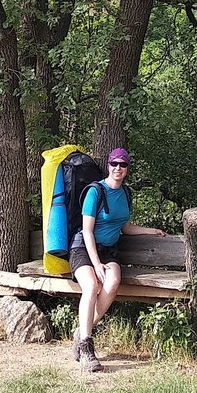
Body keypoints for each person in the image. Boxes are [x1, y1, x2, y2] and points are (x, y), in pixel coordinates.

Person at [70, 147, 164, 372]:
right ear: (108, 165)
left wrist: (151, 231)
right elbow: (88, 231)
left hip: (108, 251)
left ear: (127, 169)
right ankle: (86, 347)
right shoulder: (95, 192)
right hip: (83, 248)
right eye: (114, 164)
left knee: (112, 283)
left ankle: (84, 329)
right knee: (92, 285)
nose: (118, 168)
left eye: (123, 165)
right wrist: (95, 264)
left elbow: (125, 227)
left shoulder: (125, 194)